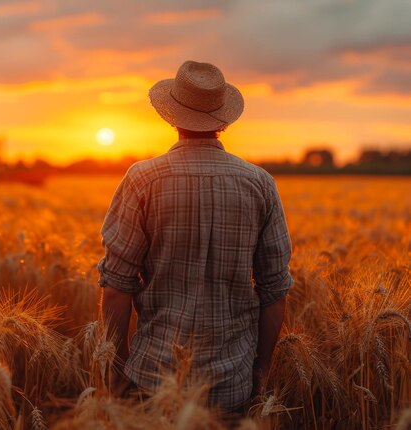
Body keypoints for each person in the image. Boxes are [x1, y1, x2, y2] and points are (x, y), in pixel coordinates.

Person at [97, 61, 293, 413]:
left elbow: (116, 288)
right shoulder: (260, 184)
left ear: (172, 118)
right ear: (223, 121)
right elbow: (274, 293)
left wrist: (118, 372)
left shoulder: (143, 180)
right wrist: (260, 372)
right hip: (231, 385)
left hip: (152, 380)